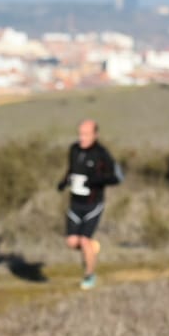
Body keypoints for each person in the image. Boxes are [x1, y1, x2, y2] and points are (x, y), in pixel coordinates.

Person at [59, 119, 122, 289]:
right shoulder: (74, 149)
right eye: (80, 134)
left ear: (95, 135)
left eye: (86, 134)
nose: (82, 137)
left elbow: (116, 177)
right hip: (75, 203)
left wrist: (95, 181)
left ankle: (89, 275)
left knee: (85, 240)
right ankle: (91, 250)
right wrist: (64, 182)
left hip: (93, 204)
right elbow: (71, 170)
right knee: (72, 242)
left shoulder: (102, 154)